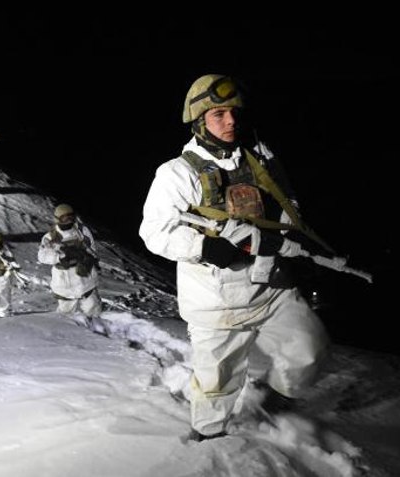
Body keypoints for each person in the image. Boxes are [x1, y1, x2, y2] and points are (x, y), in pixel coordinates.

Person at [139, 74, 329, 441]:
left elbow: (289, 205)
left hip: (271, 288)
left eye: (235, 113)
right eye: (219, 114)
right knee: (216, 384)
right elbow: (154, 231)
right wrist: (205, 247)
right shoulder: (176, 173)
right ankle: (210, 442)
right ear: (199, 120)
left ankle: (275, 400)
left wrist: (284, 237)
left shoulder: (263, 160)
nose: (231, 121)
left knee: (309, 349)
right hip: (216, 302)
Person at [37, 204, 108, 335]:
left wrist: (85, 256)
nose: (68, 220)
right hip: (65, 283)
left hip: (84, 279)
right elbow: (42, 256)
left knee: (93, 309)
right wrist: (60, 257)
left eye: (71, 216)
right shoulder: (50, 237)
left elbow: (92, 249)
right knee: (66, 316)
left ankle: (98, 335)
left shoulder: (82, 232)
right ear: (58, 219)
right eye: (64, 218)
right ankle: (70, 341)